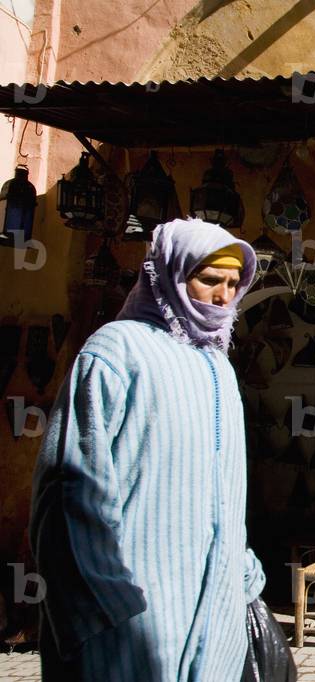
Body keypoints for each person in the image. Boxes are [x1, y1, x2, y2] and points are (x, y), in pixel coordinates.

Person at [29, 217, 266, 681]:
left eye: (233, 284)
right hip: (129, 627)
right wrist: (106, 608)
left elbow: (225, 497)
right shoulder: (116, 352)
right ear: (172, 276)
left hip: (215, 629)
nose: (223, 297)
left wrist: (243, 585)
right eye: (209, 281)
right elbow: (67, 491)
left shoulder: (219, 367)